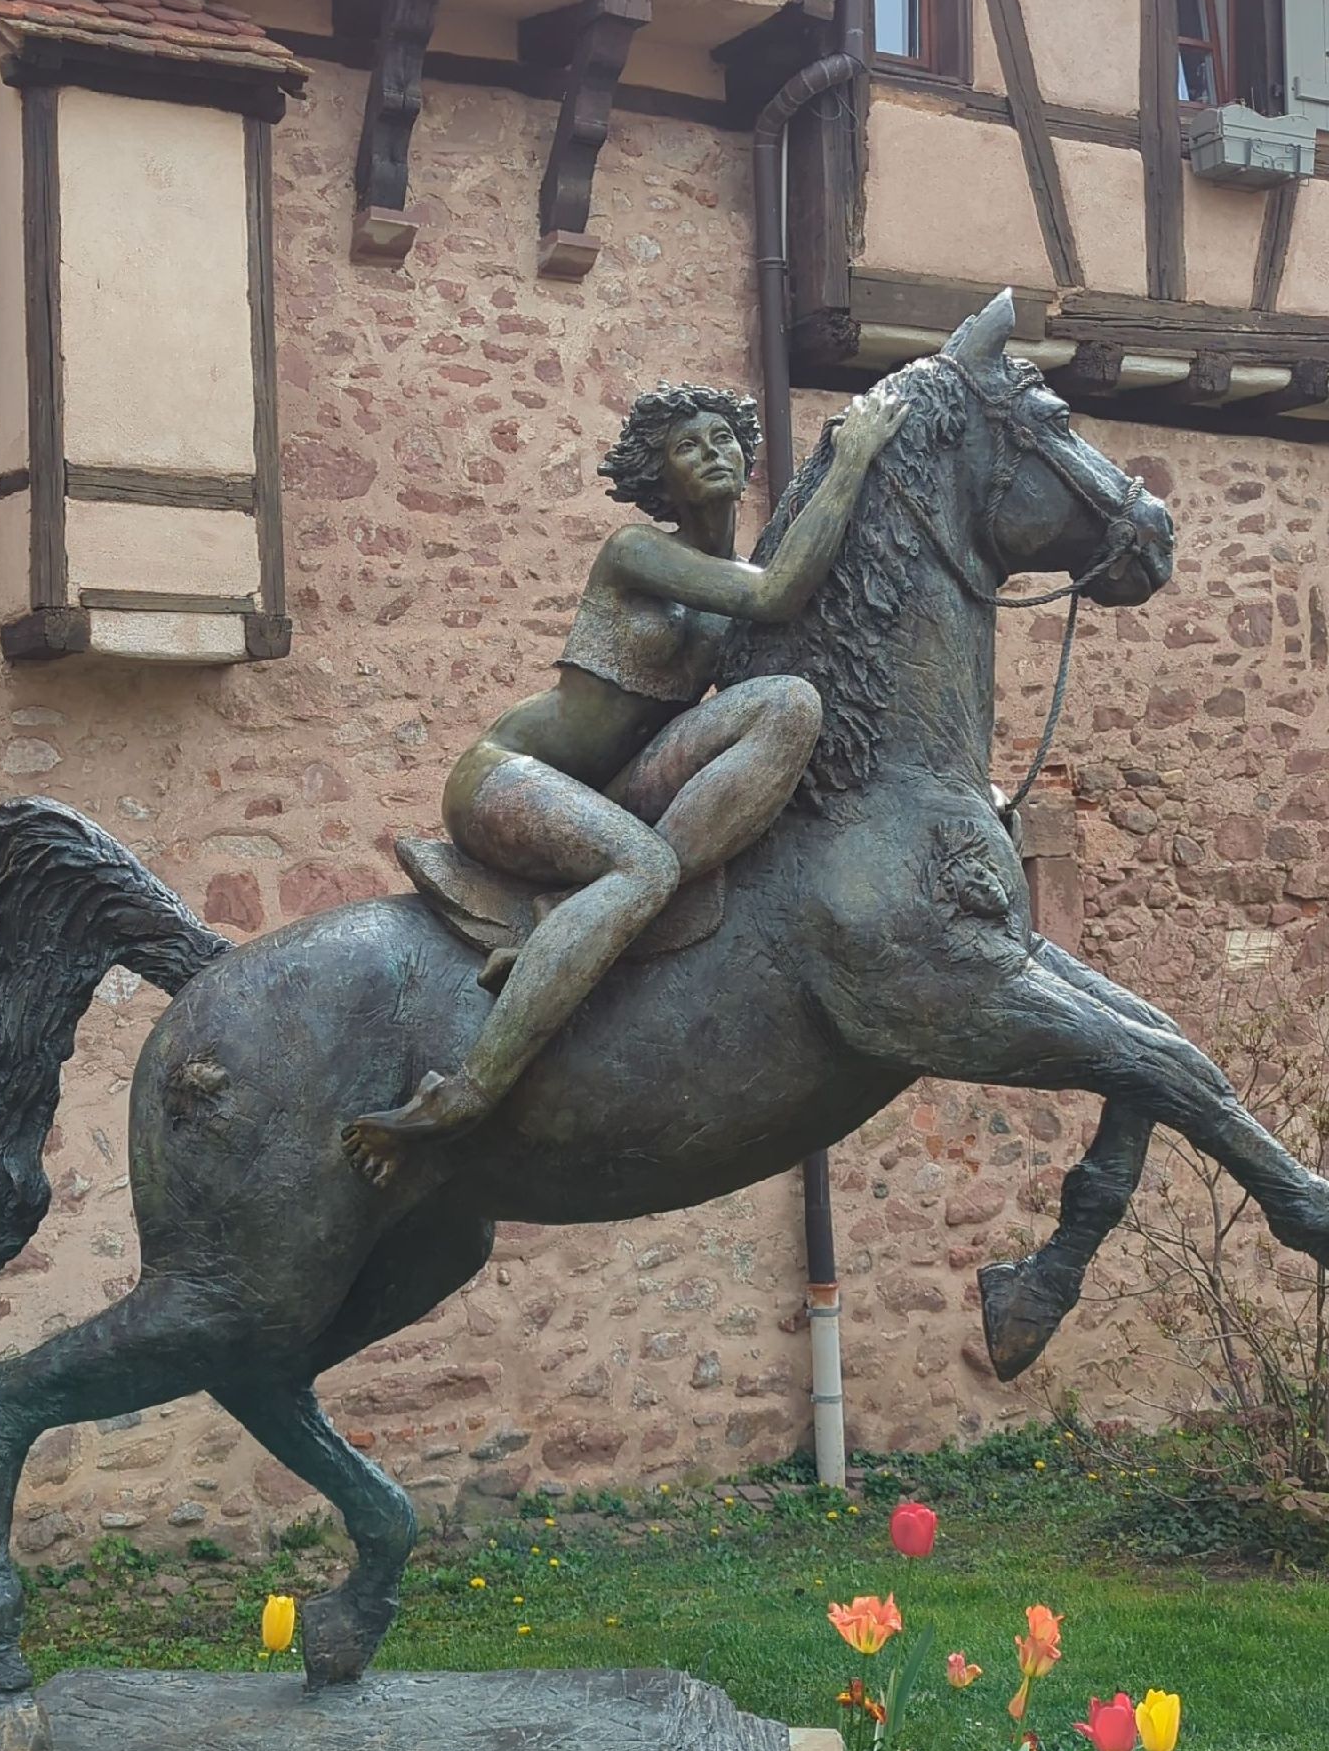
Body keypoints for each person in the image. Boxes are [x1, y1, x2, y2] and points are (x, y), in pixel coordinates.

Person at [341, 374, 906, 1182]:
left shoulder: (734, 578)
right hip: (512, 776)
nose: (710, 453)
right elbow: (781, 592)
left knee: (790, 703)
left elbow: (799, 624)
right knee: (642, 864)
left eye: (722, 439)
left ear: (746, 455)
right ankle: (465, 1090)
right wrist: (851, 459)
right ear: (659, 474)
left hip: (618, 789)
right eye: (686, 446)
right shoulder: (637, 551)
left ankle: (576, 920)